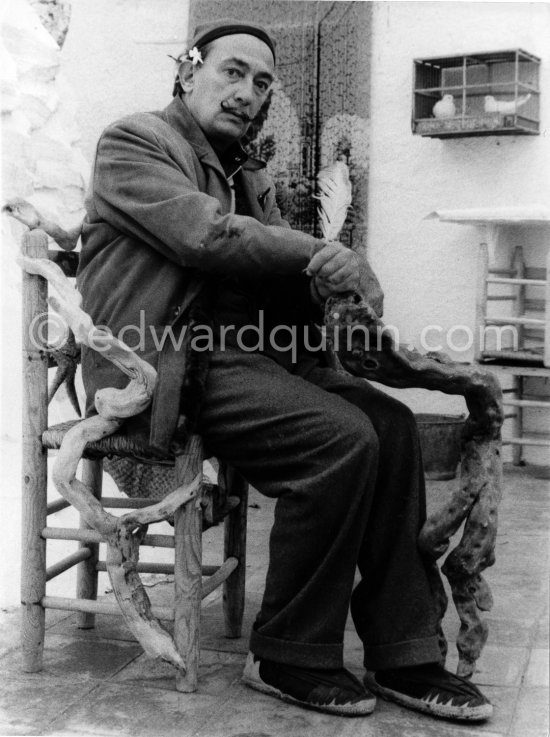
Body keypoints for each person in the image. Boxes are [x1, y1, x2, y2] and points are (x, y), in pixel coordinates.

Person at [77, 18, 493, 721]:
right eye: (231, 72)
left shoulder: (250, 173)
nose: (247, 92)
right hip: (164, 364)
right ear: (188, 71)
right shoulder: (135, 141)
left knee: (389, 423)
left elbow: (270, 281)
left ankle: (406, 650)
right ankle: (288, 653)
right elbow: (202, 233)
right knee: (338, 437)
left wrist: (329, 282)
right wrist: (310, 251)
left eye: (262, 82)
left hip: (247, 355)